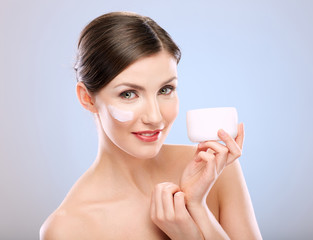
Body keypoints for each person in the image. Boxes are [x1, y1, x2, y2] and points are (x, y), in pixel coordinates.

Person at [40, 11, 262, 239]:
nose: (155, 117)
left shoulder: (212, 169)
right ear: (87, 98)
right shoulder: (69, 229)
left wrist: (197, 210)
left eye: (165, 90)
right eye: (128, 94)